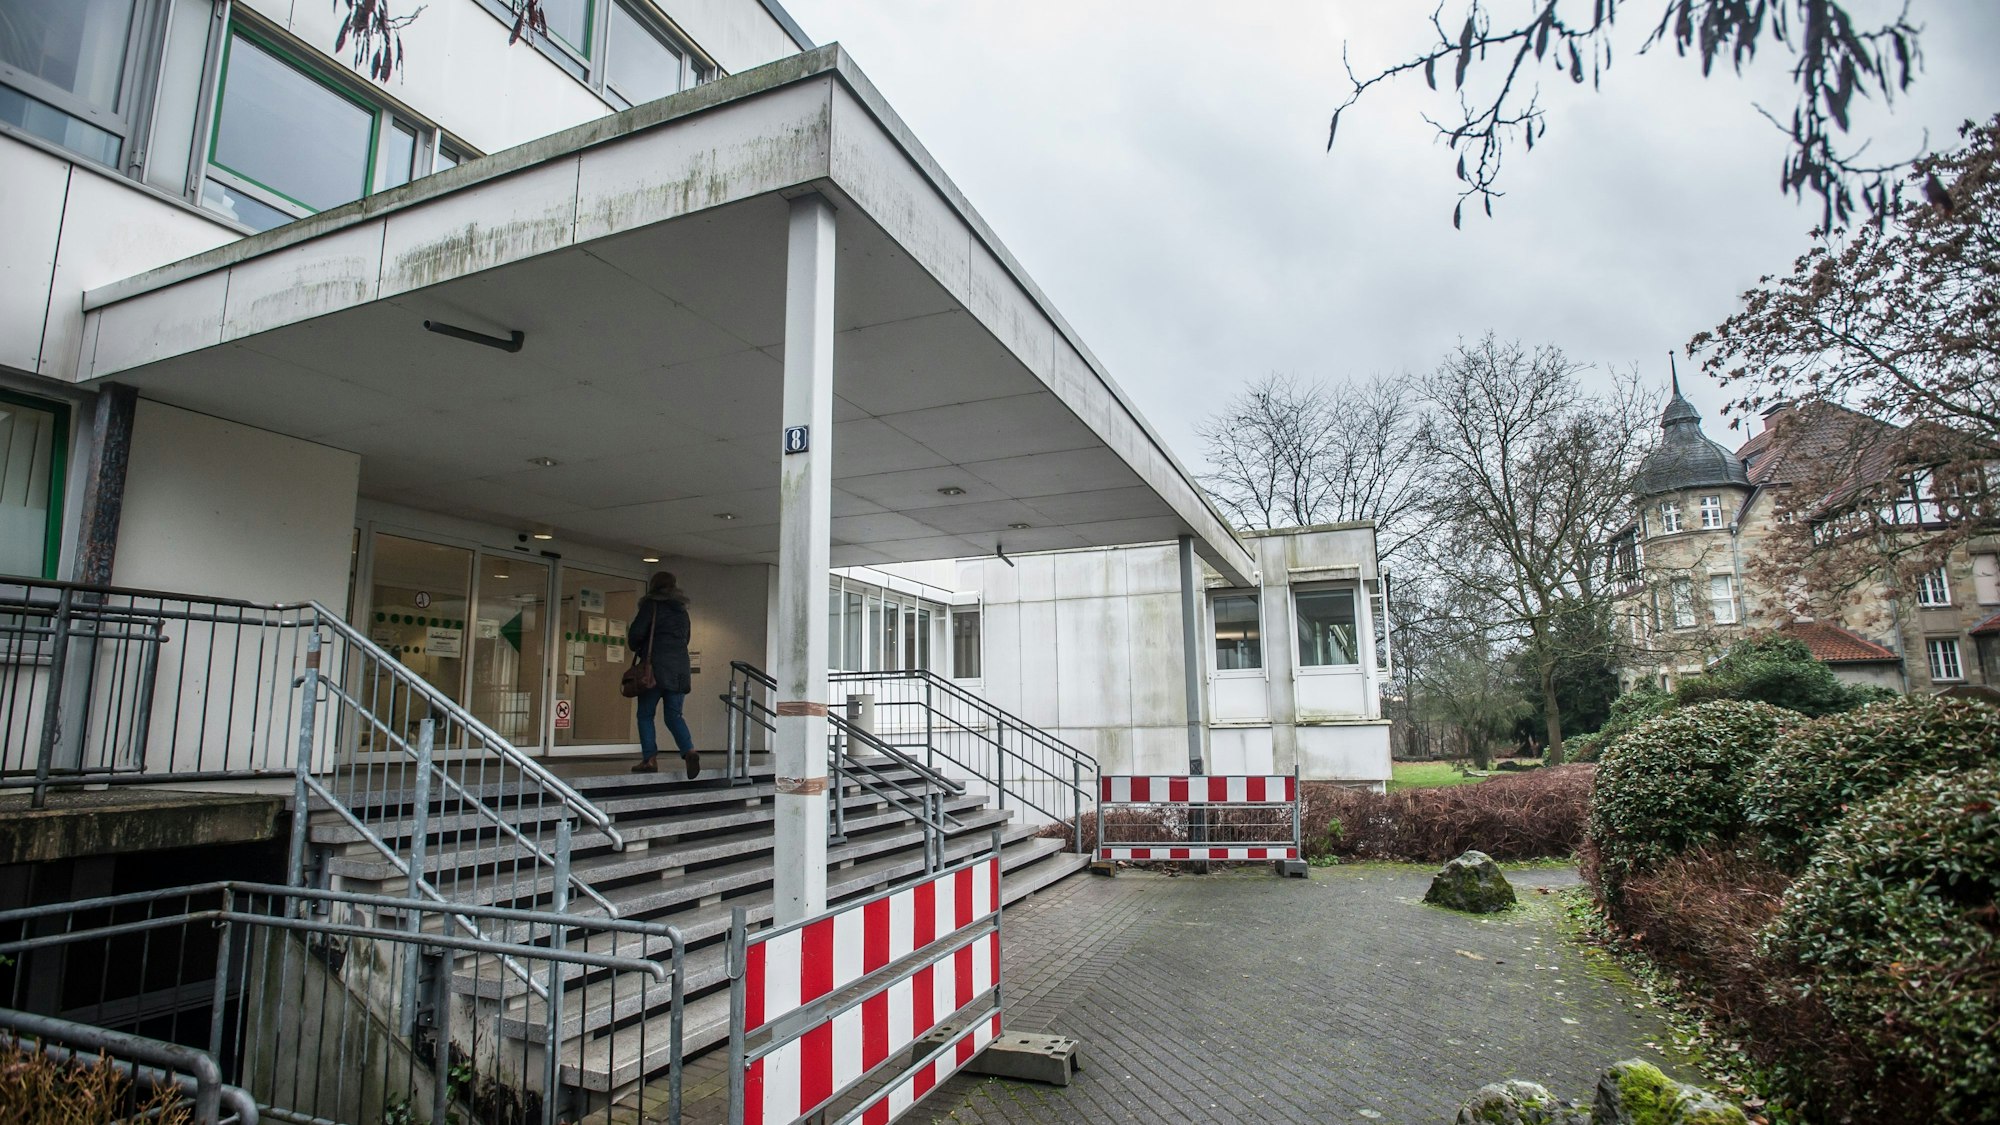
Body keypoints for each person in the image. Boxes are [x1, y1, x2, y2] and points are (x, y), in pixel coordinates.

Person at [628, 572, 700, 777]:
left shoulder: (651, 606)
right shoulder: (682, 611)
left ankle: (649, 759)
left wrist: (638, 646)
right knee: (674, 715)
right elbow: (685, 638)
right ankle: (689, 751)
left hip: (654, 669)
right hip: (680, 671)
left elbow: (636, 635)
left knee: (645, 714)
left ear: (653, 586)